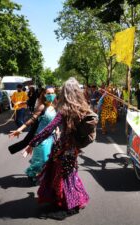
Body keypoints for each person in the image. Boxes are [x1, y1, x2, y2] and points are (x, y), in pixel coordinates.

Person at [23, 77, 90, 220]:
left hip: (64, 148)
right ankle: (72, 199)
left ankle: (68, 203)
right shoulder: (83, 109)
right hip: (73, 148)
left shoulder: (64, 111)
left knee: (62, 176)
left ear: (65, 93)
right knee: (68, 174)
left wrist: (32, 143)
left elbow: (48, 130)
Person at [10, 87, 57, 183]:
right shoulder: (42, 107)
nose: (51, 95)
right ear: (44, 94)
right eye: (48, 93)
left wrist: (56, 128)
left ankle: (43, 175)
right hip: (40, 138)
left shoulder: (54, 106)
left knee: (49, 159)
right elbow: (32, 119)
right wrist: (20, 129)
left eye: (52, 93)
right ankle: (31, 173)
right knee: (43, 159)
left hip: (52, 137)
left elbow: (54, 121)